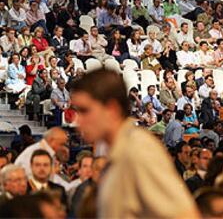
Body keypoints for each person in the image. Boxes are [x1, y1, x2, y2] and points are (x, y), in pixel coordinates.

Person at [70, 69, 199, 217]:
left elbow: (184, 214)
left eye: (85, 111)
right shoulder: (110, 147)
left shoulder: (139, 149)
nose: (78, 120)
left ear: (111, 109)